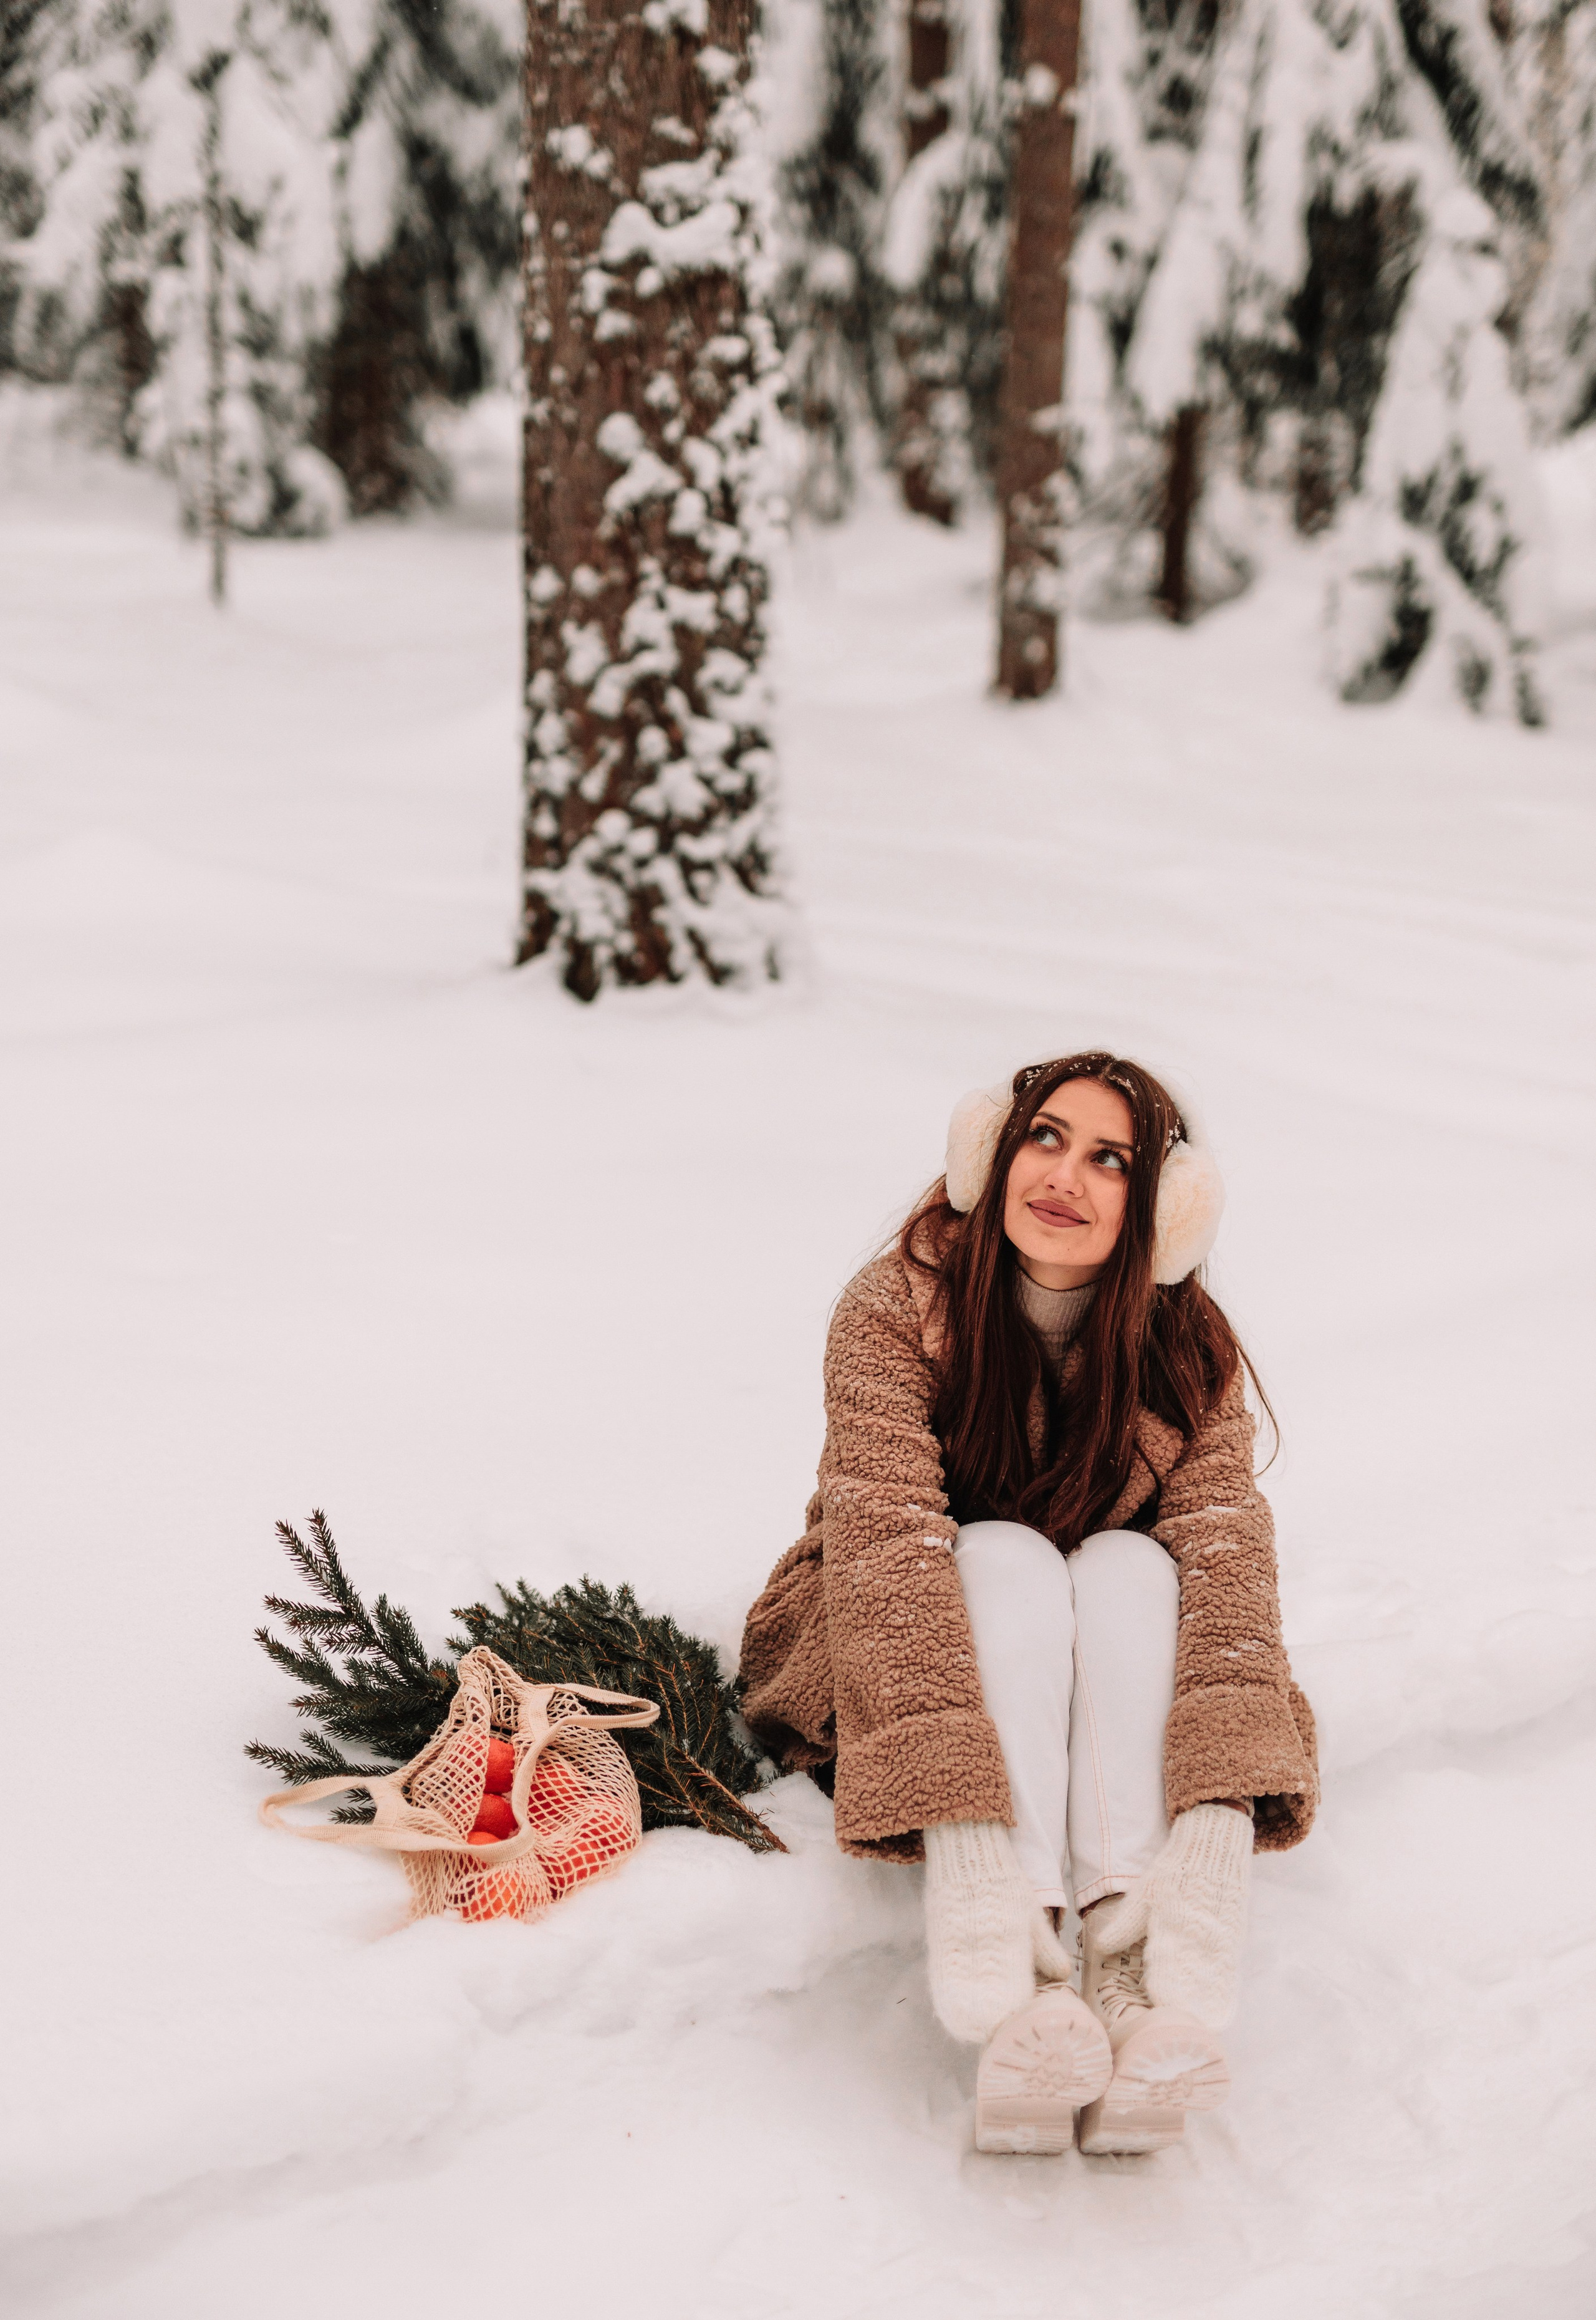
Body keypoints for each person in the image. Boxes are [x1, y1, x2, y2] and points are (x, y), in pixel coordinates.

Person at [739, 1051, 1318, 2155]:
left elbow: (1227, 1558)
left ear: (1164, 1208)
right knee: (1004, 1554)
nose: (1064, 1175)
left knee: (1134, 1568)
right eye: (1045, 1137)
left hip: (1099, 1641)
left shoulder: (1187, 1348)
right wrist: (968, 1855)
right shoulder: (895, 1304)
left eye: (1111, 1160)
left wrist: (1216, 1814)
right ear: (991, 1152)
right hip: (896, 1634)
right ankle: (1028, 1974)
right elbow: (886, 1541)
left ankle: (1128, 1978)